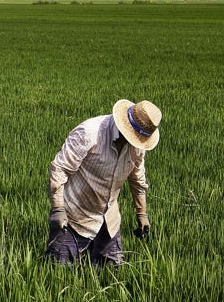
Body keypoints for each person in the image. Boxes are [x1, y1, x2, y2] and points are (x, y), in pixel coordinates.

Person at [47, 99, 161, 267]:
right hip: (74, 217)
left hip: (109, 219)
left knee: (111, 274)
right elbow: (59, 168)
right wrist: (58, 209)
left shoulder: (138, 146)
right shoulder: (90, 133)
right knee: (59, 270)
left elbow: (137, 180)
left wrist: (141, 213)